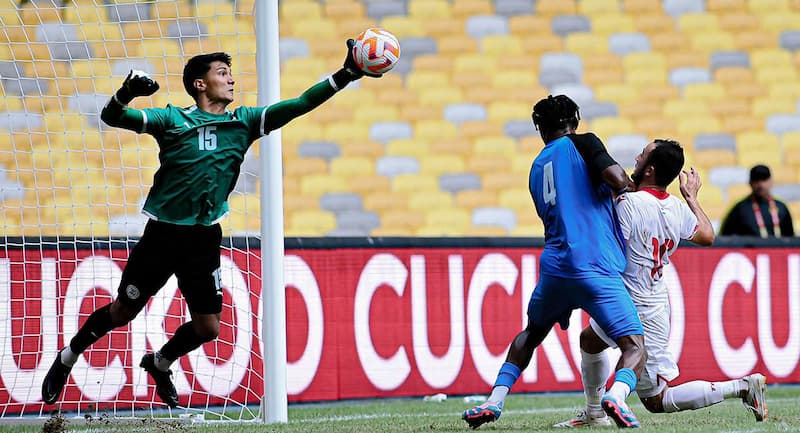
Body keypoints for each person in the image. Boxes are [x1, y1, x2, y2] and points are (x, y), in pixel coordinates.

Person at [41, 41, 380, 408]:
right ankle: (68, 357)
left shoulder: (244, 121)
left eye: (230, 73)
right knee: (123, 311)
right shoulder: (172, 120)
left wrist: (346, 74)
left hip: (203, 238)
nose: (231, 79)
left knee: (209, 328)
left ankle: (160, 362)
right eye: (222, 73)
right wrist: (126, 93)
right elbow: (113, 118)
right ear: (200, 84)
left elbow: (299, 105)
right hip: (163, 235)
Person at [554, 139, 767, 429]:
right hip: (646, 298)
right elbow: (706, 236)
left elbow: (614, 250)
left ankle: (742, 387)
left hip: (637, 303)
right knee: (589, 341)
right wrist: (691, 197)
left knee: (657, 401)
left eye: (642, 154)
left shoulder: (630, 204)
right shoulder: (677, 209)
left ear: (650, 169)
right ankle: (594, 413)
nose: (637, 157)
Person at [462, 95, 646, 429]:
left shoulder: (536, 166)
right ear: (575, 120)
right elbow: (619, 182)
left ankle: (494, 400)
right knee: (634, 347)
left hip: (556, 268)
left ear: (540, 128)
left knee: (530, 334)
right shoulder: (584, 142)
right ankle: (615, 397)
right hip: (595, 264)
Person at [720, 164, 794, 237]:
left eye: (764, 179)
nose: (760, 184)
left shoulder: (781, 207)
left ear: (771, 181)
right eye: (756, 180)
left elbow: (791, 239)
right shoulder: (739, 209)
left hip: (777, 249)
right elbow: (725, 238)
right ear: (750, 183)